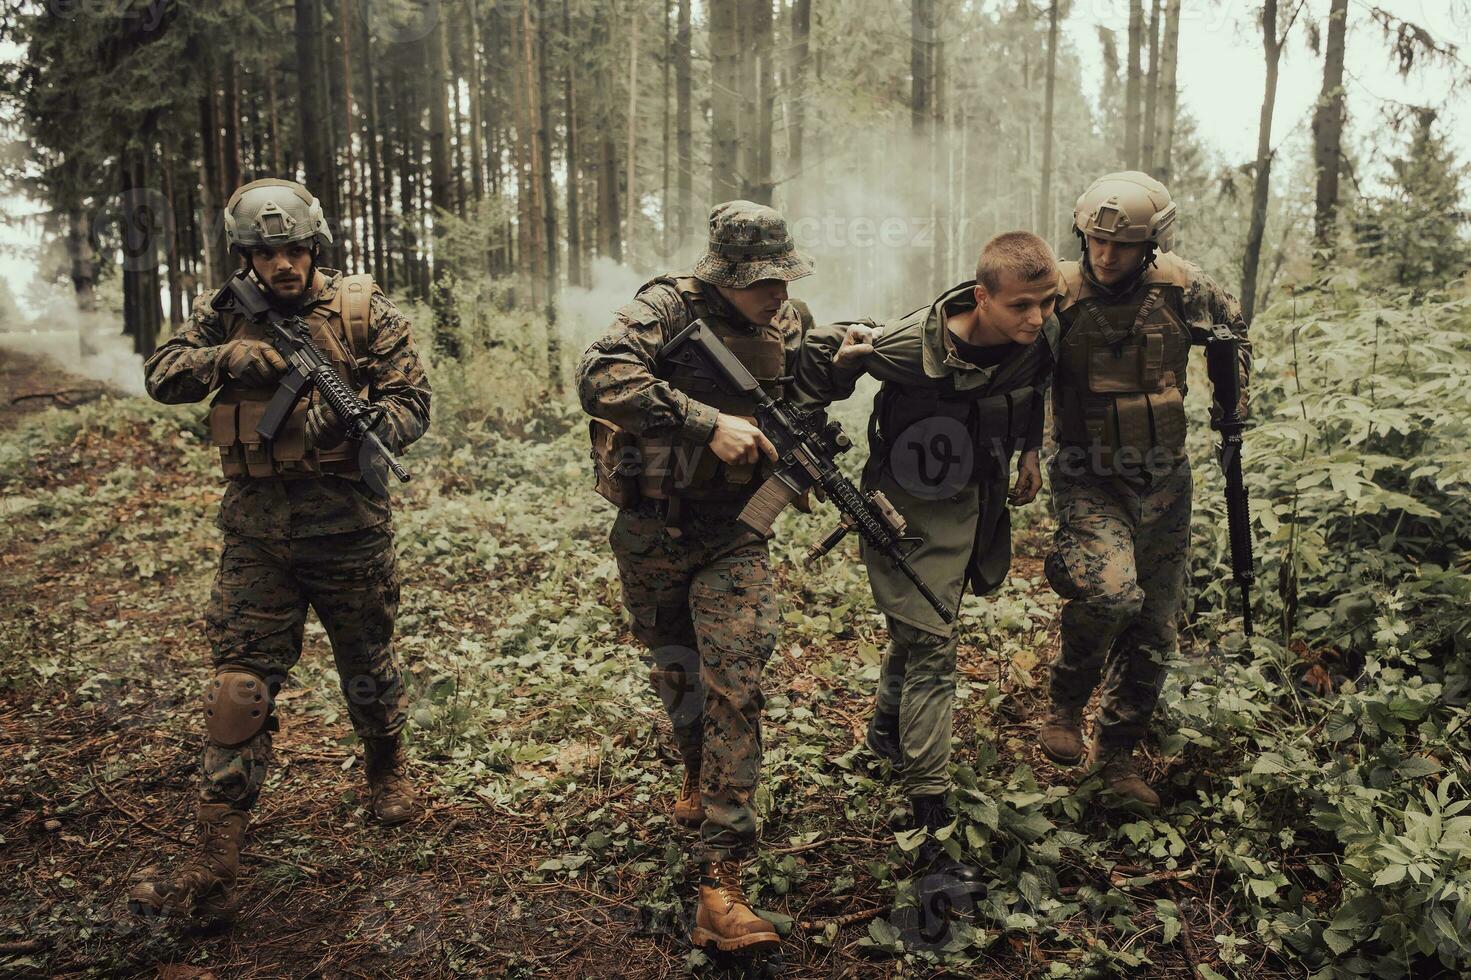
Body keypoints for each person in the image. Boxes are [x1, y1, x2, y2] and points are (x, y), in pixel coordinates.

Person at [129, 178, 431, 920]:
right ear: (247, 256)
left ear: (314, 247)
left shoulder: (364, 313)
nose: (283, 265)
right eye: (266, 253)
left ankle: (386, 765)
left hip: (349, 529)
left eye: (294, 249)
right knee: (239, 685)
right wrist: (225, 360)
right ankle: (215, 847)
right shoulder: (223, 312)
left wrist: (361, 428)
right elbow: (163, 374)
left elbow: (413, 403)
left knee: (368, 665)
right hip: (257, 533)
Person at [577, 201, 814, 956]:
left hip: (734, 535)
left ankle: (724, 882)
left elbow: (797, 388)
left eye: (783, 277)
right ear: (724, 276)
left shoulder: (786, 320)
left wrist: (839, 366)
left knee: (735, 682)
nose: (777, 293)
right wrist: (704, 422)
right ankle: (694, 771)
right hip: (649, 528)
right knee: (676, 667)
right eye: (762, 281)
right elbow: (598, 373)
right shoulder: (663, 308)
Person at [793, 231, 1058, 884]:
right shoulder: (910, 346)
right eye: (1021, 305)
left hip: (975, 499)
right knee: (934, 642)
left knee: (919, 632)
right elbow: (814, 370)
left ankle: (885, 734)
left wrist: (1029, 452)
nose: (1036, 318)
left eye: (1045, 304)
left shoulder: (1040, 333)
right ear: (980, 297)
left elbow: (1037, 386)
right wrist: (839, 373)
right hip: (905, 507)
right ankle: (929, 814)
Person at [1037, 171, 1251, 808]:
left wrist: (1231, 411)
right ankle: (1066, 702)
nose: (1105, 256)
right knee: (1110, 594)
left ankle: (1118, 757)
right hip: (1086, 475)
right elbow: (1015, 364)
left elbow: (1232, 334)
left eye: (1122, 246)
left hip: (1164, 480)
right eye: (1095, 241)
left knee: (1154, 627)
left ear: (1151, 245)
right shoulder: (1059, 294)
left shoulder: (1184, 289)